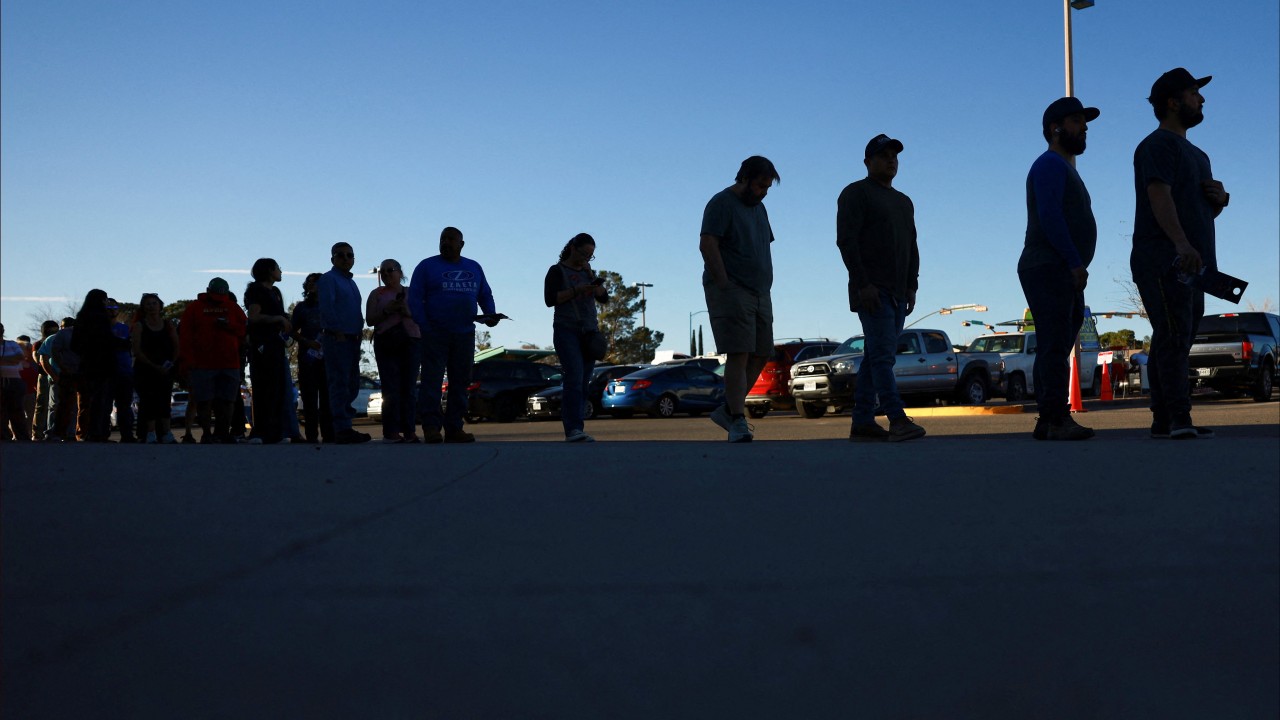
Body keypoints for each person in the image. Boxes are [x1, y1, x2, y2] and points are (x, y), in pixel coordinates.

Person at [1132, 68, 1226, 440]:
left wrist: (1221, 201)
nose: (1201, 99)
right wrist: (1181, 244)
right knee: (1172, 335)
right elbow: (1159, 195)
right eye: (1193, 94)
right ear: (1173, 102)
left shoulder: (1198, 154)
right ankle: (1178, 418)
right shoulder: (1157, 146)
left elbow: (1201, 208)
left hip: (1193, 265)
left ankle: (1163, 419)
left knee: (1175, 336)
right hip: (1162, 258)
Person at [1018, 97, 1101, 442]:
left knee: (1057, 341)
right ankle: (1054, 418)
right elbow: (1050, 216)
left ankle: (1049, 419)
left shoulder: (1064, 168)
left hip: (1060, 266)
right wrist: (1073, 260)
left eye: (1085, 122)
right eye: (1076, 121)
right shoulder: (1049, 165)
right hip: (1049, 265)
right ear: (1055, 128)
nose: (1084, 128)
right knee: (1054, 343)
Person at [836, 135, 926, 442]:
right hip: (873, 290)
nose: (891, 160)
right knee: (884, 356)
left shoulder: (903, 202)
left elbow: (911, 245)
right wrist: (863, 284)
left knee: (876, 355)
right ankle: (896, 418)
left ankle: (862, 421)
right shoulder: (856, 194)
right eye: (883, 155)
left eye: (894, 156)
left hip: (899, 292)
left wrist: (912, 285)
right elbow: (847, 241)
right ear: (867, 162)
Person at [699, 156, 780, 443]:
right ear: (744, 178)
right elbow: (708, 243)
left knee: (760, 353)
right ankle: (737, 419)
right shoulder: (721, 203)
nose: (763, 192)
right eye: (760, 185)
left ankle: (727, 409)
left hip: (761, 292)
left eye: (768, 187)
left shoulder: (760, 209)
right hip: (733, 290)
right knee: (739, 352)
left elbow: (761, 247)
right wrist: (723, 282)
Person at [408, 227, 500, 444]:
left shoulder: (473, 267)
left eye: (451, 239)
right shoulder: (426, 266)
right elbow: (414, 298)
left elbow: (485, 294)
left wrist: (490, 315)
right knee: (432, 381)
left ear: (461, 244)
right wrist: (424, 326)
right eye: (443, 239)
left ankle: (454, 428)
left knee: (460, 382)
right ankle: (431, 428)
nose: (446, 243)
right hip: (435, 334)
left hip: (465, 334)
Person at [544, 233, 609, 443]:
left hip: (589, 332)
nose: (586, 259)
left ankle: (578, 426)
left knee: (583, 382)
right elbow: (550, 299)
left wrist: (592, 280)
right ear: (573, 248)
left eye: (591, 256)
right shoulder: (557, 271)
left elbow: (604, 298)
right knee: (573, 377)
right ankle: (572, 429)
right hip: (567, 330)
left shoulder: (588, 272)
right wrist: (576, 290)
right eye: (584, 254)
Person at [179, 277, 248, 443]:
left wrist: (229, 325)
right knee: (204, 400)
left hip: (229, 362)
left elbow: (245, 329)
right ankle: (206, 433)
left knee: (228, 399)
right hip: (202, 364)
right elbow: (185, 336)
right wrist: (187, 362)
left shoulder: (232, 307)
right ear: (208, 291)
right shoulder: (194, 308)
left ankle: (223, 432)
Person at [317, 242, 372, 444]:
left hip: (352, 339)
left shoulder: (351, 283)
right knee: (339, 384)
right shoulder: (329, 279)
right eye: (341, 255)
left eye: (350, 255)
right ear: (332, 259)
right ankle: (341, 429)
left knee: (351, 384)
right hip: (337, 339)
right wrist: (337, 331)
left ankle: (344, 426)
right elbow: (327, 308)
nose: (346, 258)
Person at [366, 258, 421, 443]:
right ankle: (391, 431)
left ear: (400, 272)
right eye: (383, 271)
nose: (387, 274)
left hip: (411, 340)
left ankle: (409, 430)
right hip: (386, 342)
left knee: (409, 388)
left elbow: (422, 315)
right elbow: (370, 320)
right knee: (390, 388)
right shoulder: (376, 294)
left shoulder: (412, 293)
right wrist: (387, 311)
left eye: (391, 270)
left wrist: (407, 312)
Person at [244, 258, 291, 444]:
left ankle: (275, 432)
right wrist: (278, 319)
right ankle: (259, 432)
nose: (281, 271)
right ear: (269, 270)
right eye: (278, 268)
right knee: (263, 388)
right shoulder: (256, 291)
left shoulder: (276, 292)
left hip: (277, 344)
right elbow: (253, 317)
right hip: (262, 345)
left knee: (277, 388)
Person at [70, 290, 123, 442]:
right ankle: (99, 433)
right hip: (104, 365)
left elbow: (74, 345)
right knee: (103, 400)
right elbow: (106, 340)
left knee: (89, 401)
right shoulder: (101, 318)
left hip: (87, 366)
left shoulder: (81, 318)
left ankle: (89, 432)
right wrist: (123, 343)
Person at [292, 273, 334, 444]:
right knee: (309, 398)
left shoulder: (331, 305)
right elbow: (292, 331)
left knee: (327, 397)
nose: (311, 285)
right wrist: (306, 341)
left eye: (315, 282)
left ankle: (329, 434)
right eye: (309, 282)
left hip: (328, 357)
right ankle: (311, 435)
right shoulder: (302, 308)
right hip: (307, 358)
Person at [132, 293, 179, 444]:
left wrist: (170, 363)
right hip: (145, 369)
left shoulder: (168, 324)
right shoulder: (139, 325)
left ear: (160, 306)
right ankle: (150, 433)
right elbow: (137, 350)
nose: (151, 306)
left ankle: (166, 432)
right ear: (143, 307)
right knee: (148, 401)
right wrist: (153, 366)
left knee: (165, 401)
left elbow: (176, 346)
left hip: (166, 369)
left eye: (154, 303)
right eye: (148, 304)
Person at [38, 317, 78, 442]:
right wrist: (54, 376)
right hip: (58, 376)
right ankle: (54, 432)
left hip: (71, 376)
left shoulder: (79, 338)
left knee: (69, 406)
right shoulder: (52, 339)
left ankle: (69, 433)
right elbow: (43, 360)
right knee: (56, 405)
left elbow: (43, 360)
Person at [107, 299, 138, 443]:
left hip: (125, 371)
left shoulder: (125, 328)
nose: (111, 310)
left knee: (125, 406)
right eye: (107, 307)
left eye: (114, 307)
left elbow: (130, 346)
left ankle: (127, 435)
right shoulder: (98, 329)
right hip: (105, 372)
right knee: (104, 405)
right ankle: (101, 434)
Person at [0, 324, 29, 441]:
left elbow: (20, 357)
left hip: (15, 380)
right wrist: (10, 360)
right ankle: (4, 436)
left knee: (17, 409)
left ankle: (22, 437)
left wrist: (2, 361)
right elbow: (15, 359)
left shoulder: (12, 344)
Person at [31, 319, 60, 440]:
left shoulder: (59, 341)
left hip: (56, 375)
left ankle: (53, 429)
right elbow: (37, 360)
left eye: (56, 329)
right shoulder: (38, 344)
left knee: (54, 404)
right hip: (43, 376)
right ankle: (37, 433)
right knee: (42, 404)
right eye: (51, 330)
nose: (54, 332)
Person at [16, 335, 39, 440]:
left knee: (30, 416)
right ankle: (16, 434)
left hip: (30, 393)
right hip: (17, 393)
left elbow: (36, 379)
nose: (30, 351)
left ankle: (29, 435)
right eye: (27, 349)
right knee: (17, 415)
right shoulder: (14, 363)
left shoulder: (33, 364)